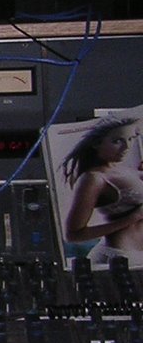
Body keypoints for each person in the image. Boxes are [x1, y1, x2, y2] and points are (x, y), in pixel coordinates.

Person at [60, 113, 143, 267]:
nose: (127, 147)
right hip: (119, 256)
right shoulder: (93, 178)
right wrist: (132, 218)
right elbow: (73, 234)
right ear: (96, 143)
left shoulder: (124, 169)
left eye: (131, 139)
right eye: (117, 141)